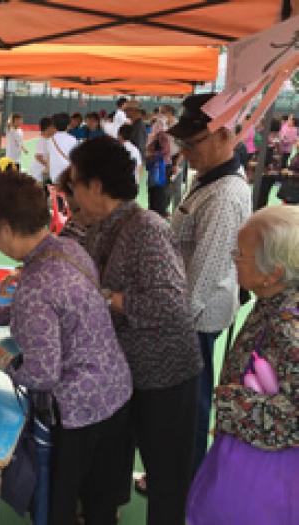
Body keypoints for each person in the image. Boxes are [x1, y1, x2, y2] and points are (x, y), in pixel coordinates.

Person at [0, 170, 133, 524]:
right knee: (100, 505)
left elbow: (42, 375)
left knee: (57, 507)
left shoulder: (35, 285)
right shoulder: (69, 248)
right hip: (116, 393)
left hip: (79, 412)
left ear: (3, 228)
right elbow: (55, 313)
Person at [62, 136, 201, 525]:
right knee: (107, 467)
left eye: (75, 184)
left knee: (166, 478)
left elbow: (171, 306)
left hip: (163, 375)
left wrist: (106, 297)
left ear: (95, 186)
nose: (71, 194)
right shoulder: (97, 226)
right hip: (123, 373)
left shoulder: (146, 228)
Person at [186, 205, 299, 525]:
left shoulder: (286, 326)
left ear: (272, 272)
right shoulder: (274, 302)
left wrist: (234, 403)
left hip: (264, 477)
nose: (234, 259)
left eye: (241, 255)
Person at [169, 93, 252, 475]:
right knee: (187, 401)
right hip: (191, 313)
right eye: (182, 143)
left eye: (193, 143)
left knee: (191, 405)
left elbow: (202, 278)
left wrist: (173, 327)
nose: (185, 152)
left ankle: (187, 481)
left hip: (195, 318)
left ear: (226, 134)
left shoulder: (223, 196)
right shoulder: (209, 181)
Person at [46, 112, 77, 186]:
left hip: (54, 174)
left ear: (54, 126)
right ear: (68, 126)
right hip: (67, 174)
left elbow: (49, 157)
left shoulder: (49, 140)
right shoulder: (73, 139)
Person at [28, 116, 54, 186]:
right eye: (53, 127)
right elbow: (38, 156)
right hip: (37, 174)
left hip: (41, 173)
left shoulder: (48, 140)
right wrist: (48, 165)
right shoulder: (42, 141)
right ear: (48, 128)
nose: (54, 130)